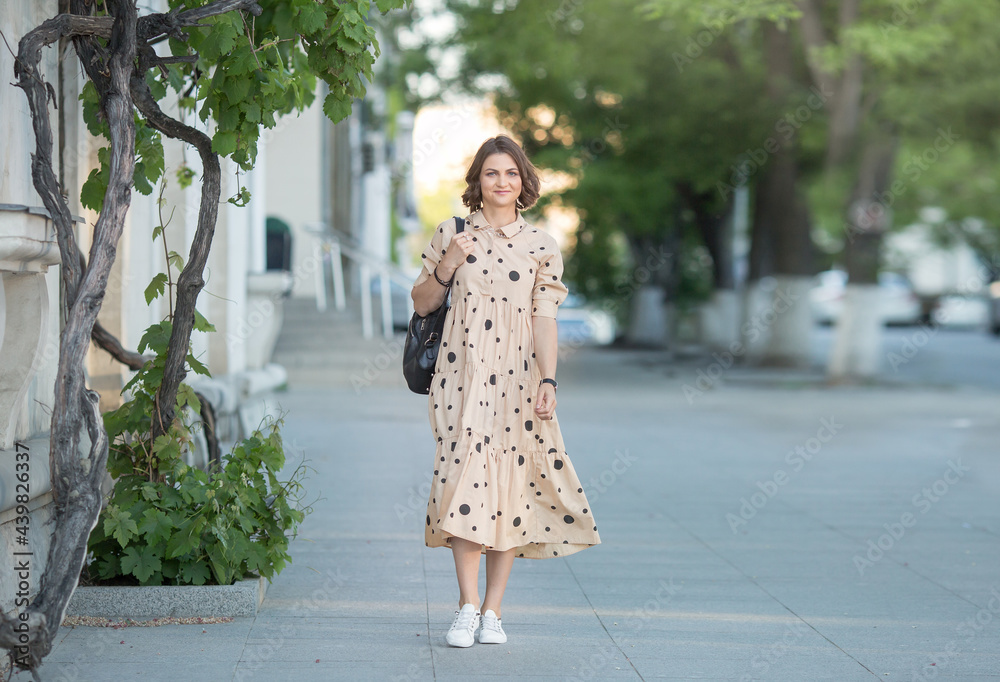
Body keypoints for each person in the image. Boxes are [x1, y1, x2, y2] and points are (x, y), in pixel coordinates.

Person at [410, 135, 600, 648]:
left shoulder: (541, 245)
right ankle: (466, 606)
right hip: (462, 378)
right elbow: (424, 302)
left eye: (511, 173)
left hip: (518, 383)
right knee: (463, 482)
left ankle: (493, 611)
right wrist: (448, 262)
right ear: (478, 181)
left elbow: (544, 319)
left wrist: (548, 379)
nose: (501, 182)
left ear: (523, 182)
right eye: (492, 173)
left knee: (508, 490)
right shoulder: (451, 232)